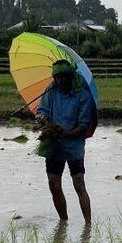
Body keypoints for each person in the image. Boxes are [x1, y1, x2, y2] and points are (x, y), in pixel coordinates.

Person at [36, 59, 94, 221]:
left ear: (71, 76)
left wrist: (64, 134)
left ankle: (88, 226)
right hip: (53, 145)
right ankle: (63, 222)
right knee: (53, 185)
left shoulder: (83, 96)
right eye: (58, 77)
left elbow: (82, 126)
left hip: (73, 146)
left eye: (64, 77)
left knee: (79, 184)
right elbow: (42, 111)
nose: (61, 80)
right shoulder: (51, 90)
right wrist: (41, 119)